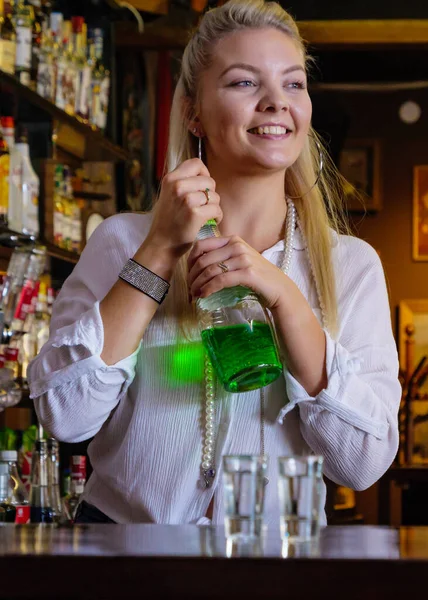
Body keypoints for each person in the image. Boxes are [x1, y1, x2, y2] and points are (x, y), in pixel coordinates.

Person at [28, 0, 401, 524]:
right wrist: (158, 251)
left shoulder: (351, 266)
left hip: (273, 566)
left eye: (293, 84)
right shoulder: (122, 241)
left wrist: (286, 299)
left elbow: (361, 463)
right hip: (125, 561)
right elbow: (64, 416)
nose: (276, 103)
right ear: (193, 112)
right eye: (245, 83)